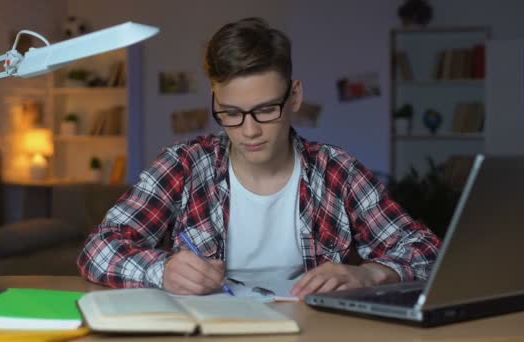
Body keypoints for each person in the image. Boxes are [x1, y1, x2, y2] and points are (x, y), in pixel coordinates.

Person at [77, 17, 441, 300]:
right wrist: (161, 270)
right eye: (231, 112)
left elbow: (427, 252)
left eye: (266, 110)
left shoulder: (338, 171)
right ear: (215, 101)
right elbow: (98, 249)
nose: (249, 131)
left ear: (294, 96)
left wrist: (371, 274)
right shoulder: (184, 165)